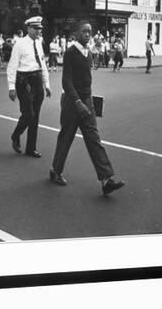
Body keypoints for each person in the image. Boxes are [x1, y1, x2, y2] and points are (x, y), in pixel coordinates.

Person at [49, 21, 125, 195]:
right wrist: (77, 102)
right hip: (71, 102)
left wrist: (89, 100)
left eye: (90, 31)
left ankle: (106, 179)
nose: (88, 34)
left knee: (94, 139)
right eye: (84, 31)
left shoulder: (89, 53)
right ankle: (55, 170)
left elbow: (87, 81)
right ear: (76, 33)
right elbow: (66, 81)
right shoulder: (70, 53)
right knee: (66, 137)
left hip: (86, 101)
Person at [7, 16, 51, 158]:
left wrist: (47, 84)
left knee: (35, 116)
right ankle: (16, 135)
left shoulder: (38, 43)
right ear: (29, 28)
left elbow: (42, 64)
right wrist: (11, 87)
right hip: (23, 80)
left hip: (37, 79)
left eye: (40, 29)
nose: (39, 31)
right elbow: (12, 66)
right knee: (28, 114)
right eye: (37, 29)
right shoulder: (19, 44)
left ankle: (31, 148)